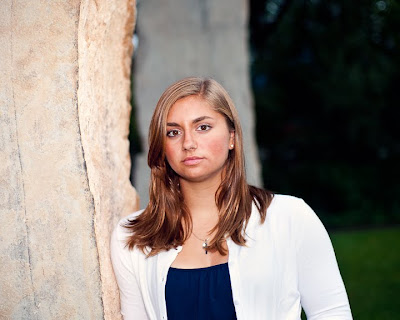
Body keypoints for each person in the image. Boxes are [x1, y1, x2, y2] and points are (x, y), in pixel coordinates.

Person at [111, 77, 352, 320]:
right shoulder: (133, 238)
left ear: (232, 137)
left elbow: (331, 313)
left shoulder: (289, 217)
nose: (188, 143)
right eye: (173, 132)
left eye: (202, 127)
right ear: (161, 147)